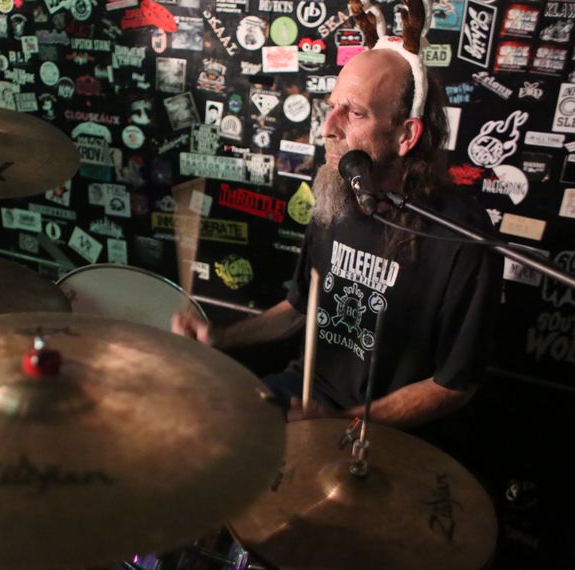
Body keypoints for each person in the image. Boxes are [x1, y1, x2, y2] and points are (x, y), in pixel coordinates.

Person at [172, 47, 502, 429]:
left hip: (383, 431)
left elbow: (453, 386)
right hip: (304, 395)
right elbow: (298, 309)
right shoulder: (337, 196)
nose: (328, 127)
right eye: (331, 107)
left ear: (406, 135)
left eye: (355, 113)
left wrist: (339, 422)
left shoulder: (462, 235)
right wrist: (221, 338)